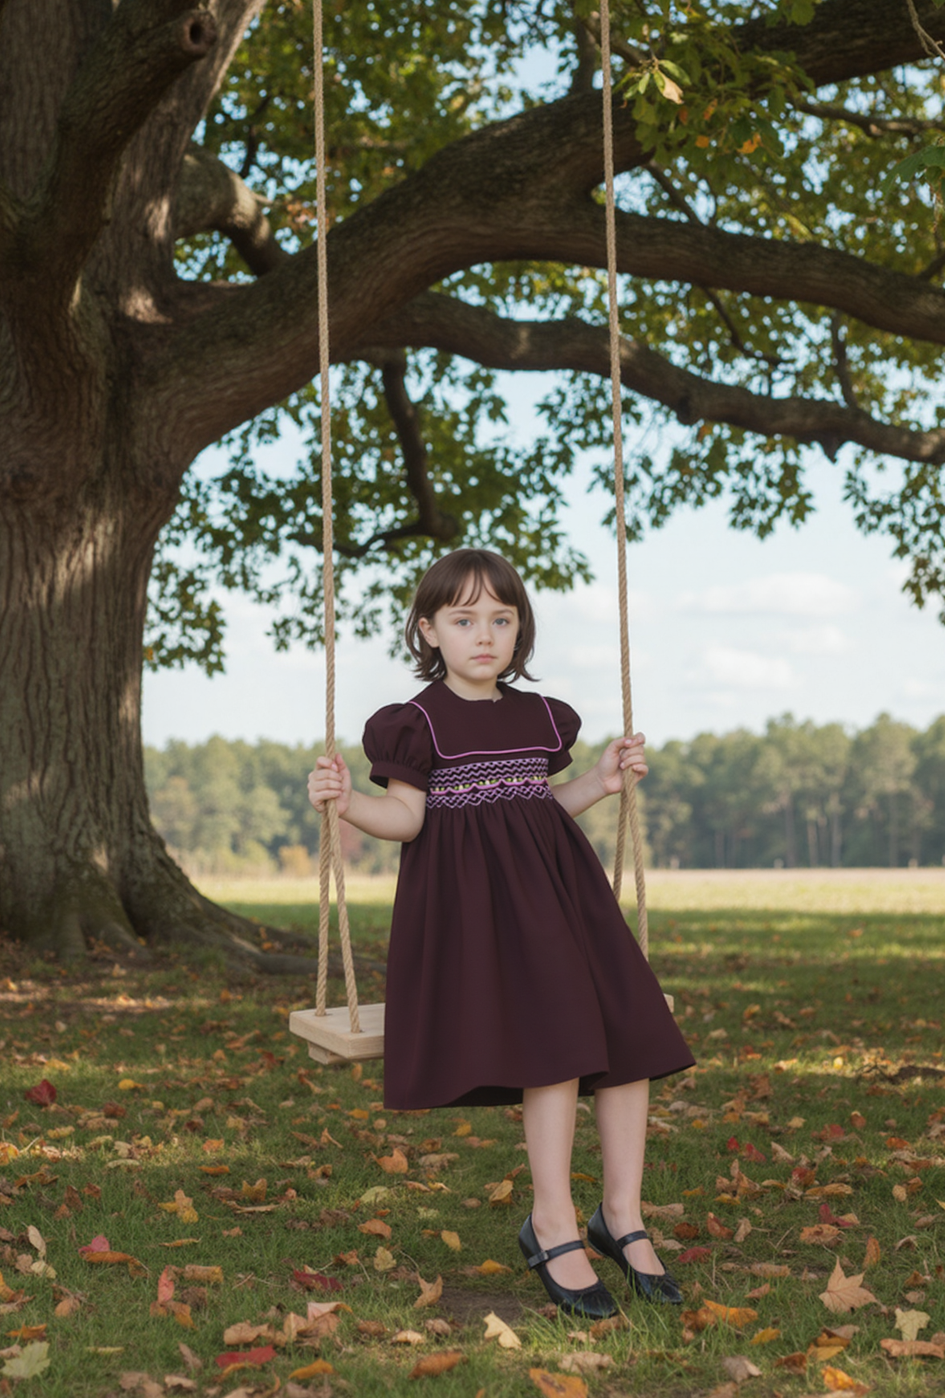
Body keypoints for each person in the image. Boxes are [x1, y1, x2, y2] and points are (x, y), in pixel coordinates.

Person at [306, 548, 694, 1319]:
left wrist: (601, 782)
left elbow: (538, 807)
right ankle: (550, 1222)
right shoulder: (413, 724)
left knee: (632, 1038)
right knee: (551, 1046)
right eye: (463, 619)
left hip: (563, 901)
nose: (483, 635)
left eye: (501, 619)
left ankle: (620, 1215)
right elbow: (407, 819)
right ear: (429, 631)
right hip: (478, 923)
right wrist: (348, 804)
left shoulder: (540, 716)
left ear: (520, 630)